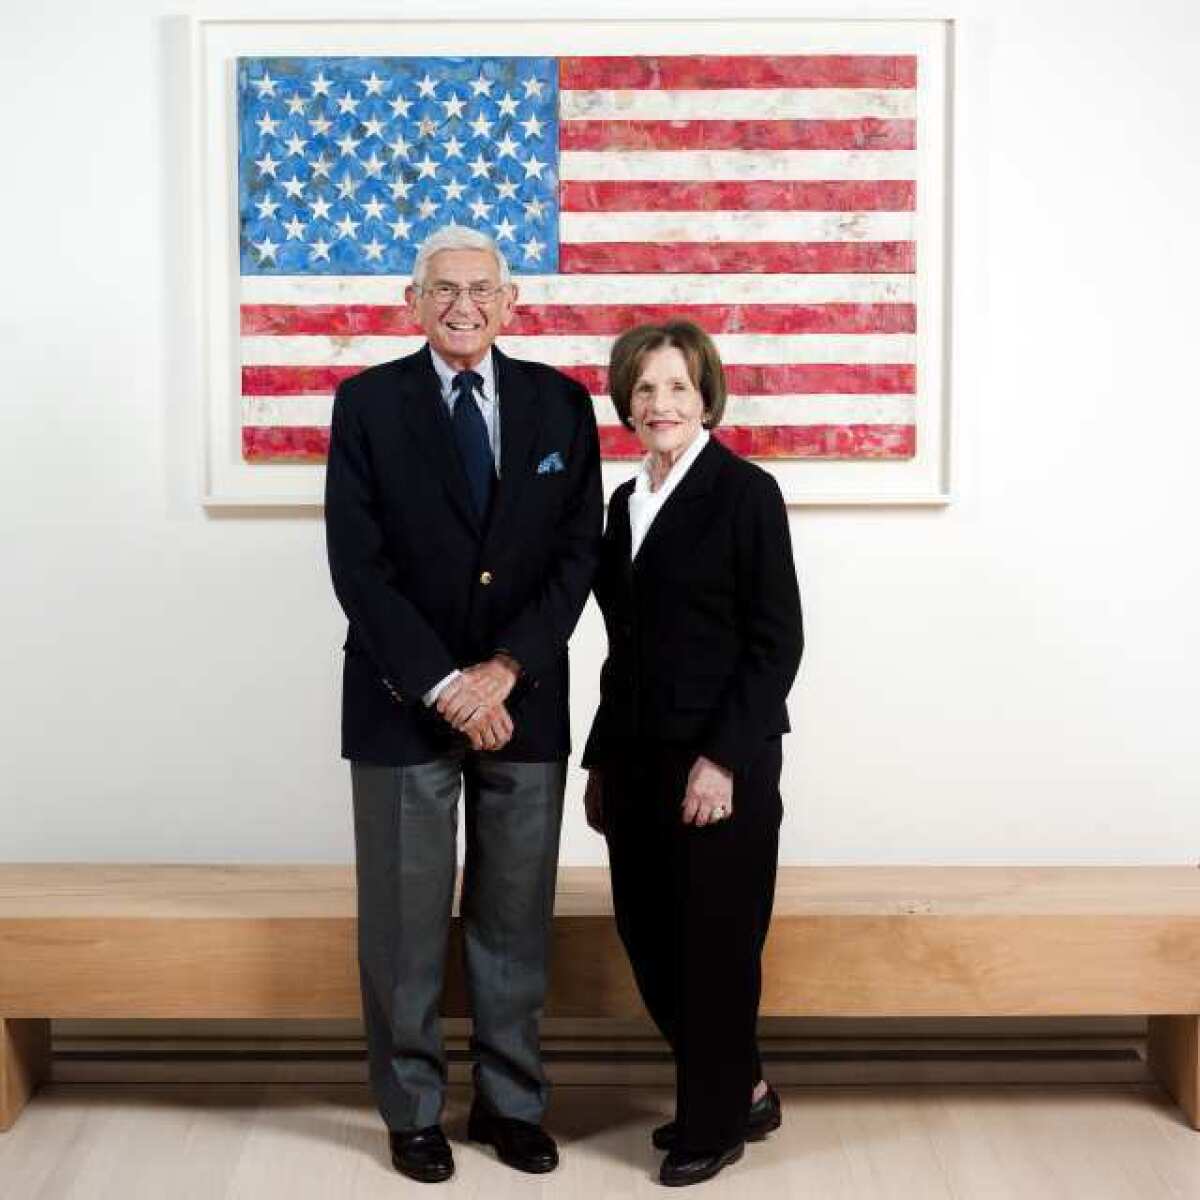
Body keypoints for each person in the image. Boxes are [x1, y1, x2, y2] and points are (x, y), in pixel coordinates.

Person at [324, 225, 602, 1183]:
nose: (462, 306)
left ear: (511, 300)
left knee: (514, 916)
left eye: (481, 289)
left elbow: (578, 557)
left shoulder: (562, 406)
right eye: (442, 289)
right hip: (403, 703)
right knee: (404, 925)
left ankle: (509, 1103)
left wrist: (506, 671)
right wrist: (447, 683)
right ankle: (411, 1112)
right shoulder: (365, 404)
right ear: (412, 302)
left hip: (525, 702)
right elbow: (358, 567)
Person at [581, 321, 803, 1187]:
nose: (659, 403)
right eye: (643, 389)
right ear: (625, 404)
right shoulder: (623, 502)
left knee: (714, 947)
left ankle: (713, 1124)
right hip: (634, 758)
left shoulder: (746, 492)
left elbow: (775, 643)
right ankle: (743, 1087)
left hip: (720, 759)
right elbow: (622, 645)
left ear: (705, 394)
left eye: (676, 386)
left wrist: (724, 761)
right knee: (648, 938)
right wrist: (601, 761)